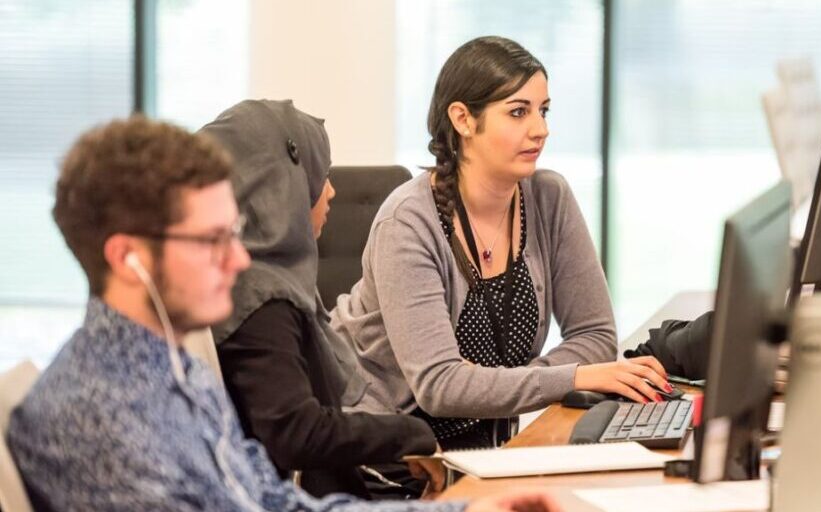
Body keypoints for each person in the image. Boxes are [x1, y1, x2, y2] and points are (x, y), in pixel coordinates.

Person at [5, 115, 558, 512]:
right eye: (212, 239)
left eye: (235, 233)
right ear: (128, 258)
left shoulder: (170, 367)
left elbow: (270, 500)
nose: (240, 258)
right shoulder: (105, 417)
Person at [330, 36, 671, 449]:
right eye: (518, 112)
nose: (540, 129)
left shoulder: (549, 197)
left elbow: (595, 335)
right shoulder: (408, 223)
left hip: (487, 449)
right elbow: (440, 385)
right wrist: (572, 376)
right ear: (463, 119)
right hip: (390, 455)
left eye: (543, 111)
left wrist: (504, 384)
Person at [202, 100, 440, 499]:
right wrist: (411, 435)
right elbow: (295, 433)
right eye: (320, 175)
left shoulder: (260, 280)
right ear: (280, 186)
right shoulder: (261, 299)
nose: (331, 190)